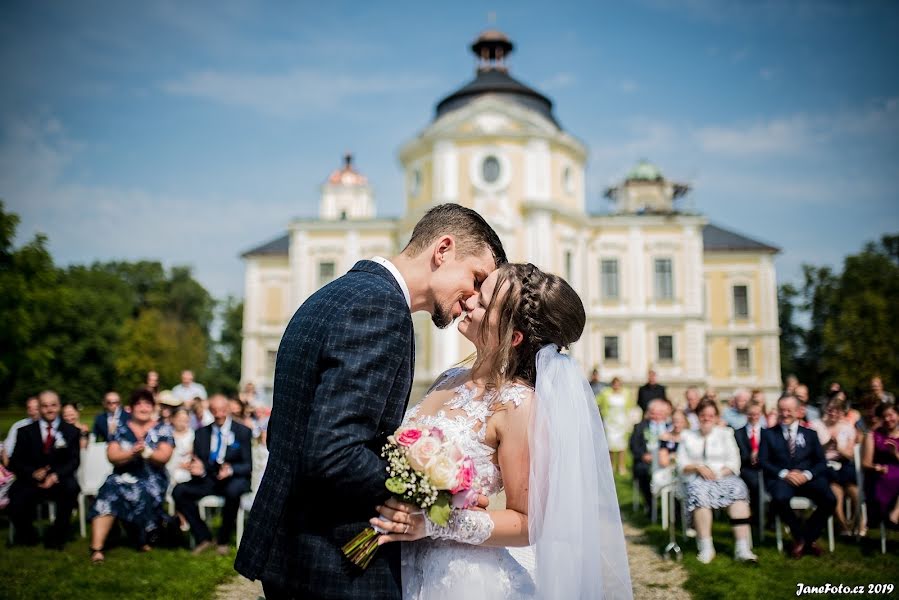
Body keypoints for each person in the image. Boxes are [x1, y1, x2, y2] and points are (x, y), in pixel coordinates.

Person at [235, 203, 507, 599]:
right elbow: (334, 451)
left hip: (295, 544)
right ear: (443, 250)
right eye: (476, 277)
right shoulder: (380, 309)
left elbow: (285, 430)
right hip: (333, 557)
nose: (471, 300)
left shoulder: (339, 293)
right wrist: (437, 495)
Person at [372, 262, 631, 598]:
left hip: (458, 578)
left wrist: (434, 521)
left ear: (514, 337)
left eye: (484, 301)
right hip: (400, 562)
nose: (469, 300)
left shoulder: (518, 405)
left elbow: (527, 523)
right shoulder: (448, 378)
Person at [88, 388, 174, 562]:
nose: (143, 408)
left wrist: (147, 453)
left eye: (147, 404)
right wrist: (131, 453)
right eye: (139, 404)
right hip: (123, 476)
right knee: (109, 490)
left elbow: (164, 457)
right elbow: (112, 456)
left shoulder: (162, 428)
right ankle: (97, 547)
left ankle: (143, 538)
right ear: (131, 408)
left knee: (143, 490)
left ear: (153, 407)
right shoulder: (119, 429)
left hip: (152, 478)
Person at [677, 398, 756, 563]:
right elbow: (681, 464)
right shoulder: (687, 435)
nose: (707, 418)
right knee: (699, 493)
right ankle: (706, 547)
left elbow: (734, 462)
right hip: (696, 478)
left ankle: (742, 549)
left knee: (738, 492)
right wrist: (698, 468)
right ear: (697, 416)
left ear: (716, 417)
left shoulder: (726, 433)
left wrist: (718, 474)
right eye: (703, 415)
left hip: (724, 476)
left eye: (710, 415)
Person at [174, 394, 253, 556]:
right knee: (179, 491)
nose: (218, 415)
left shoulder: (242, 432)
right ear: (210, 410)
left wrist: (230, 470)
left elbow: (247, 465)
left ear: (228, 409)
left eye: (222, 410)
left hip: (233, 479)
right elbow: (198, 462)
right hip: (209, 479)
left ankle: (223, 540)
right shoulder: (201, 433)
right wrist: (198, 470)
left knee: (233, 491)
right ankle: (203, 537)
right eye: (214, 410)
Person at [759, 395, 835, 558]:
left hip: (807, 479)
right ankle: (801, 538)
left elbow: (821, 462)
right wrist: (785, 474)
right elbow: (763, 461)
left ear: (799, 412)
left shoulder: (810, 434)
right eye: (781, 410)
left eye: (789, 410)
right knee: (779, 499)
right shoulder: (768, 434)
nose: (784, 414)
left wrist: (807, 475)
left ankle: (806, 536)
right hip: (782, 479)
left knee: (830, 499)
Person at [7, 390, 81, 548]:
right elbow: (15, 462)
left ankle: (57, 535)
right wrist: (32, 473)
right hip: (31, 480)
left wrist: (55, 475)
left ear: (59, 406)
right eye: (45, 406)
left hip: (59, 480)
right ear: (39, 408)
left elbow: (74, 461)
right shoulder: (25, 432)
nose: (49, 409)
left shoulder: (71, 431)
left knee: (72, 488)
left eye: (53, 405)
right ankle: (28, 535)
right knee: (15, 494)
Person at [820, 395, 860, 535]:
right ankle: (843, 525)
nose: (833, 413)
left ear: (842, 412)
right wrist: (828, 444)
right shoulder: (817, 426)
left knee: (854, 490)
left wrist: (838, 448)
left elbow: (851, 454)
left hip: (844, 464)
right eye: (830, 410)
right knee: (835, 490)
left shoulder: (848, 428)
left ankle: (856, 523)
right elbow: (815, 452)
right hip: (826, 465)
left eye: (837, 410)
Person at [629, 398, 672, 510]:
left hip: (666, 463)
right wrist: (643, 455)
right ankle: (650, 504)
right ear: (649, 413)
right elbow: (633, 445)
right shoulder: (640, 427)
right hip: (646, 461)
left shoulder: (670, 427)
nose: (656, 415)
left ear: (665, 414)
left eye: (660, 413)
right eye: (653, 412)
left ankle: (673, 508)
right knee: (642, 472)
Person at [862, 403, 899, 528]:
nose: (888, 419)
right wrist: (876, 467)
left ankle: (895, 514)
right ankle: (892, 515)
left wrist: (895, 454)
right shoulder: (872, 435)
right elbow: (865, 463)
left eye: (890, 415)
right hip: (881, 475)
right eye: (884, 416)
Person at [734, 398, 766, 526]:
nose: (753, 417)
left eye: (757, 414)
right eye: (751, 414)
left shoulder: (767, 433)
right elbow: (738, 454)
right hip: (745, 468)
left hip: (764, 467)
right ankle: (755, 518)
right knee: (755, 483)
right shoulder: (738, 433)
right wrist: (750, 457)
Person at [596, 376, 636, 475]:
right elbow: (597, 402)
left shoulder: (626, 393)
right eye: (614, 383)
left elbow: (631, 406)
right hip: (610, 422)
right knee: (611, 445)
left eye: (618, 383)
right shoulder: (605, 393)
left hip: (622, 422)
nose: (616, 385)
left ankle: (621, 466)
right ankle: (612, 466)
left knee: (622, 446)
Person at [2, 396, 39, 467]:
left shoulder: (49, 426)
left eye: (36, 409)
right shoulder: (19, 425)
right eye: (29, 408)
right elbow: (7, 448)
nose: (33, 412)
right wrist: (8, 467)